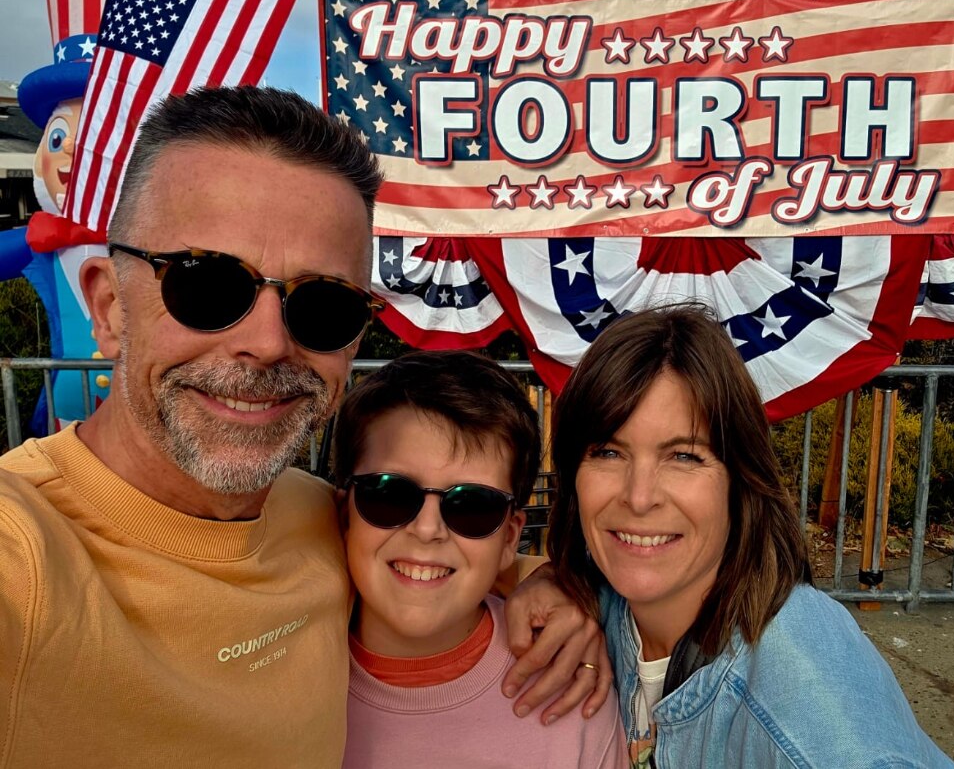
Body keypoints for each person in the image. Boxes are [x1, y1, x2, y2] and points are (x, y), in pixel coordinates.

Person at [0, 86, 606, 768]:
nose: (267, 342)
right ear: (109, 308)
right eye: (207, 285)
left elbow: (447, 543)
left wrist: (550, 585)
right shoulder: (25, 556)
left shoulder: (326, 517)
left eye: (322, 304)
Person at [547, 305, 954, 768]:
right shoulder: (616, 601)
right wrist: (546, 586)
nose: (639, 497)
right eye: (608, 451)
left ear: (740, 479)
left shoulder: (804, 711)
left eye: (684, 456)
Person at [331, 350, 624, 768]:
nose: (427, 528)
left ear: (509, 537)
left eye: (472, 506)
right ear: (345, 514)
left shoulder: (573, 689)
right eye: (389, 494)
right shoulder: (280, 659)